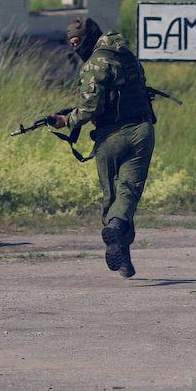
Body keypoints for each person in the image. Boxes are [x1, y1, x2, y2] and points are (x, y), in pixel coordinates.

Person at [50, 17, 155, 278]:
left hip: (110, 136)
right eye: (72, 42)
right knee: (128, 190)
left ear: (88, 38)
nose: (76, 47)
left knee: (112, 196)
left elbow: (90, 107)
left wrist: (67, 120)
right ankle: (122, 251)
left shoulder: (94, 64)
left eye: (77, 41)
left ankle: (116, 237)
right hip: (141, 130)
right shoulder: (127, 55)